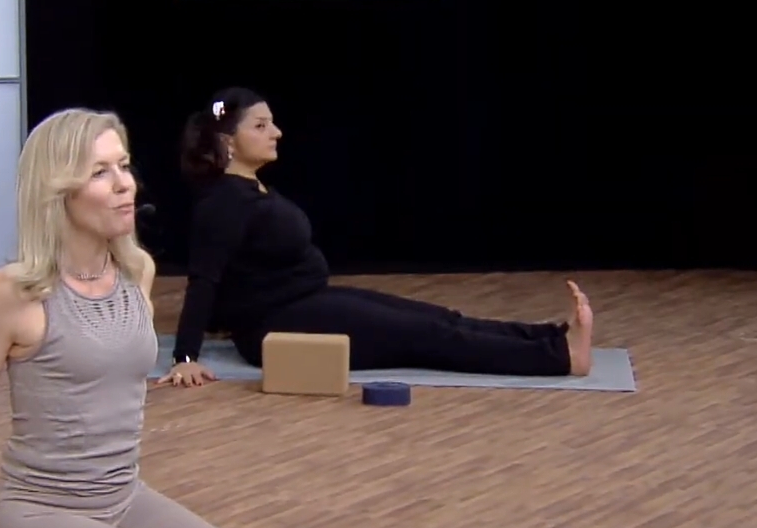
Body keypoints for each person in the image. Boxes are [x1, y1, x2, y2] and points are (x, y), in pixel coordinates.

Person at [0, 108, 491, 528]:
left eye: (123, 165)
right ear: (57, 192)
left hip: (122, 495)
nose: (124, 184)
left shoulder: (136, 272)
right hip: (39, 521)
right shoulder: (10, 295)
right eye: (100, 172)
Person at [157, 87, 595, 389]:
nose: (277, 133)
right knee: (428, 335)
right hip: (277, 324)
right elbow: (204, 281)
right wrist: (186, 358)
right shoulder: (222, 202)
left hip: (308, 302)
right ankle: (560, 358)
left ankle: (551, 338)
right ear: (227, 142)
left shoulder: (251, 189)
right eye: (261, 126)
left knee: (439, 318)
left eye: (272, 123)